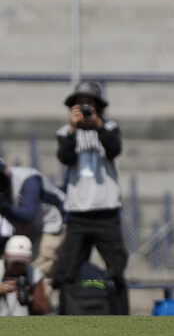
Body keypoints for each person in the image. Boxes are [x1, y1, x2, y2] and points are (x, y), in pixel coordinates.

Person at [55, 80, 129, 315]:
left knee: (116, 268)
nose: (85, 108)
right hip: (78, 212)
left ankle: (122, 316)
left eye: (89, 103)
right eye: (80, 104)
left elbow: (114, 150)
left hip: (106, 211)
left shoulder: (109, 127)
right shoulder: (66, 132)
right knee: (69, 269)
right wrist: (72, 128)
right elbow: (65, 157)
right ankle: (66, 314)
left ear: (98, 106)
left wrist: (97, 125)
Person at [0, 159, 65, 278]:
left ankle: (42, 294)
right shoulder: (4, 190)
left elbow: (27, 215)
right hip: (28, 230)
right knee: (13, 265)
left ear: (5, 170)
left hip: (53, 226)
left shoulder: (29, 179)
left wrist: (3, 207)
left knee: (37, 271)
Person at [0, 235, 49, 316]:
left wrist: (29, 299)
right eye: (15, 262)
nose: (18, 266)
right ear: (5, 256)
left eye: (22, 262)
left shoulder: (35, 275)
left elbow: (43, 311)